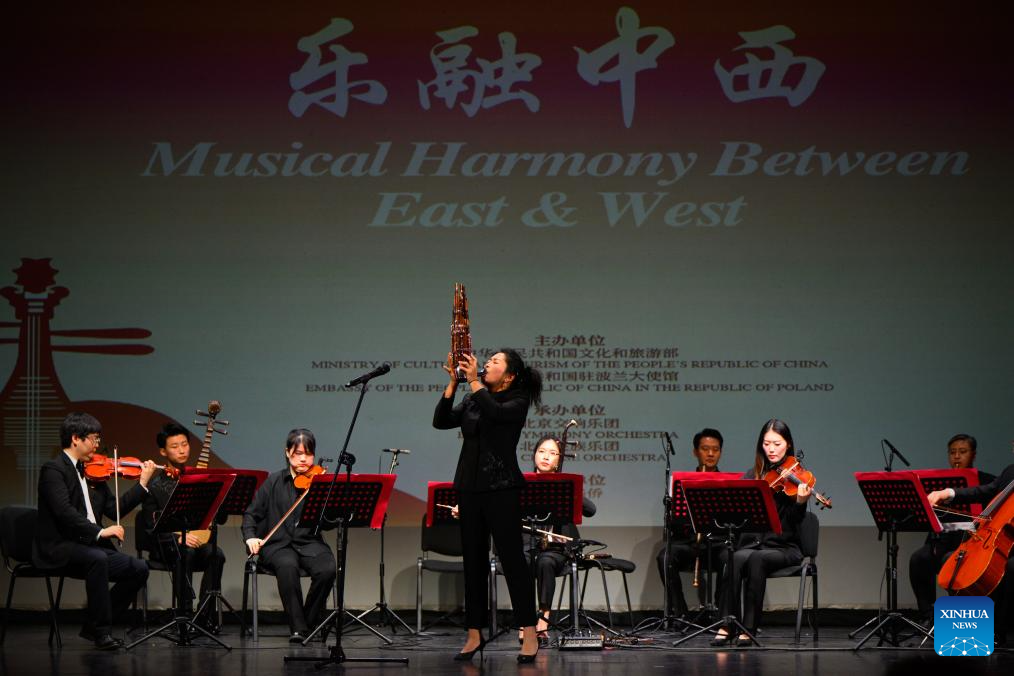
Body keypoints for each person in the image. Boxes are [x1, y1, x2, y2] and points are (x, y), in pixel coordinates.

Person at [433, 349, 542, 663]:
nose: (487, 364)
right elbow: (441, 421)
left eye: (495, 362)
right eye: (488, 360)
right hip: (469, 488)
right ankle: (473, 633)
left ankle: (529, 631)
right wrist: (453, 385)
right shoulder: (472, 399)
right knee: (474, 562)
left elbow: (495, 414)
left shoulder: (516, 401)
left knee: (512, 561)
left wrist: (473, 383)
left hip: (501, 488)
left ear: (508, 376)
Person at [33, 412, 156, 650]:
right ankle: (102, 632)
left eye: (99, 439)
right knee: (97, 558)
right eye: (94, 438)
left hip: (87, 546)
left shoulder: (93, 473)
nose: (98, 444)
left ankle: (91, 625)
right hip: (59, 546)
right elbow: (64, 512)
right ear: (75, 438)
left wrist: (142, 484)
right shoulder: (53, 470)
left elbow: (114, 509)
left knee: (139, 569)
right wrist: (100, 533)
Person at [712, 419, 811, 646]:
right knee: (734, 557)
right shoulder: (752, 476)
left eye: (777, 443)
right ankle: (727, 623)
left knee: (757, 559)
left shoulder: (797, 477)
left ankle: (749, 627)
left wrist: (800, 503)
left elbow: (795, 523)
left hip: (784, 547)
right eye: (767, 444)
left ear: (788, 445)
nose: (772, 449)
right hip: (754, 544)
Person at [242, 429, 336, 644]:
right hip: (278, 546)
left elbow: (329, 525)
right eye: (297, 453)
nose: (304, 459)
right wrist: (250, 537)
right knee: (287, 566)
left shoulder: (319, 482)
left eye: (309, 453)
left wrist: (327, 501)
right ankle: (298, 628)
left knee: (328, 568)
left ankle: (307, 624)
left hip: (309, 542)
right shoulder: (273, 481)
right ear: (287, 453)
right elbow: (251, 514)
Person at [138, 422, 227, 631]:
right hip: (167, 546)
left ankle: (204, 615)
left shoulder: (199, 478)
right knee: (185, 552)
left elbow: (220, 519)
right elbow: (151, 527)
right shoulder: (155, 487)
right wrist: (178, 537)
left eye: (185, 444)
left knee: (217, 554)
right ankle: (184, 614)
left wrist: (218, 499)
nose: (181, 449)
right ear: (163, 451)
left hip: (196, 542)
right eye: (174, 446)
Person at [928, 448, 1014, 646]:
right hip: (997, 540)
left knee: (1010, 568)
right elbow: (986, 491)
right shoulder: (1011, 471)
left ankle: (997, 631)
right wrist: (948, 492)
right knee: (952, 559)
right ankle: (966, 630)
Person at [908, 434, 993, 625]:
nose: (956, 456)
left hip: (970, 543)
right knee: (918, 559)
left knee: (952, 561)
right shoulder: (940, 483)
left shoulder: (987, 482)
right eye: (952, 452)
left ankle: (957, 621)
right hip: (942, 540)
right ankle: (928, 616)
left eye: (962, 452)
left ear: (973, 454)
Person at [520, 435, 596, 646]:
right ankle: (525, 623)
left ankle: (543, 620)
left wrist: (564, 485)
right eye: (542, 451)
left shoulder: (563, 484)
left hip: (556, 550)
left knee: (544, 561)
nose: (546, 457)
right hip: (527, 547)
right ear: (534, 454)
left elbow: (591, 510)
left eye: (553, 453)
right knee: (522, 560)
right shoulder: (520, 482)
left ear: (559, 460)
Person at [656, 428, 724, 619]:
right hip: (690, 544)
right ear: (695, 452)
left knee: (732, 558)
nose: (710, 454)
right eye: (705, 449)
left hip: (717, 545)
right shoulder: (681, 483)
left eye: (715, 449)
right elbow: (675, 524)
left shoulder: (728, 483)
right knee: (665, 557)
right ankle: (681, 614)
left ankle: (722, 614)